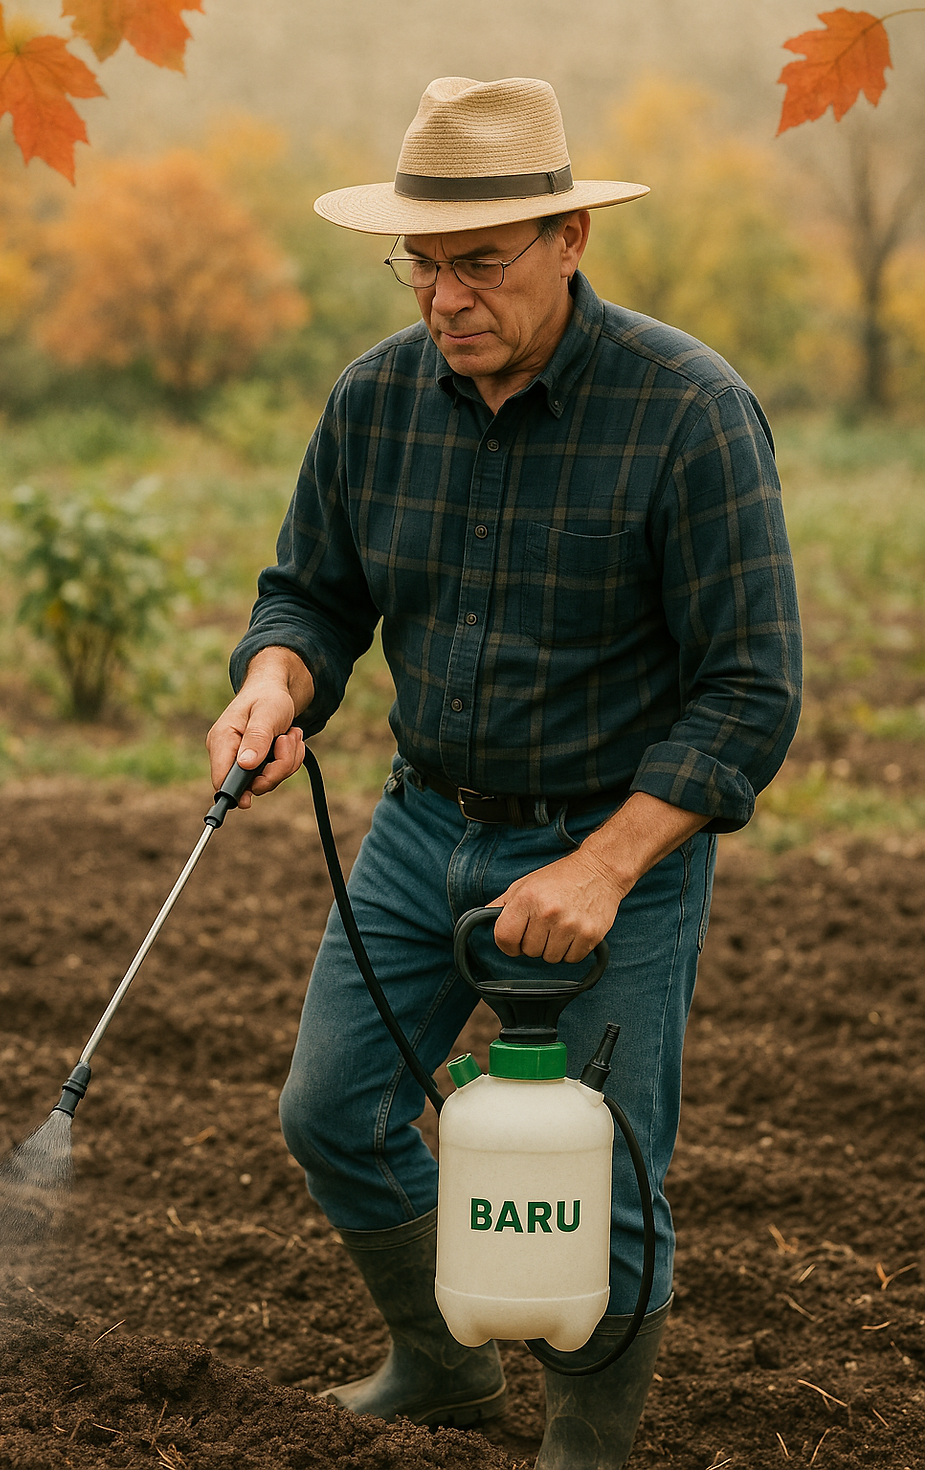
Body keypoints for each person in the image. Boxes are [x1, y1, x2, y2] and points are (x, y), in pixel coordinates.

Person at [207, 76, 802, 1470]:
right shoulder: (375, 401)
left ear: (570, 238)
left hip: (614, 840)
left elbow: (750, 691)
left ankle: (583, 1446)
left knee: (610, 1172)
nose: (445, 298)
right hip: (424, 824)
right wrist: (275, 679)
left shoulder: (689, 412)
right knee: (331, 1112)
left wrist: (603, 866)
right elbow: (312, 594)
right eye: (421, 264)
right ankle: (442, 1362)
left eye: (480, 262)